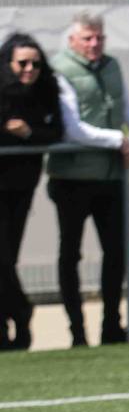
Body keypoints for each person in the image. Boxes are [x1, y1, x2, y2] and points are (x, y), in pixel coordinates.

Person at [47, 12, 129, 346]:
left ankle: (113, 327)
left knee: (116, 252)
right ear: (72, 41)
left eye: (99, 37)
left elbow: (124, 106)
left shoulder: (112, 66)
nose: (94, 44)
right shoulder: (58, 69)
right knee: (71, 255)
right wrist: (118, 140)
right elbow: (72, 128)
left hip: (110, 176)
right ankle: (77, 333)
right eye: (87, 38)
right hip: (72, 177)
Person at [0, 34, 62, 351]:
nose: (29, 69)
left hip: (22, 185)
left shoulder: (45, 90)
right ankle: (20, 312)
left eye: (35, 64)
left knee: (7, 257)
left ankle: (17, 324)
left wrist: (29, 133)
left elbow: (55, 131)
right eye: (22, 63)